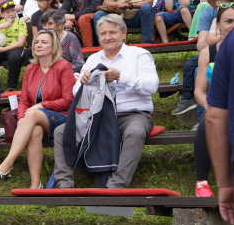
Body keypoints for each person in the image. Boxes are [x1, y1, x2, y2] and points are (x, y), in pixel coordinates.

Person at [53, 14, 159, 188]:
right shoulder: (94, 59)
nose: (108, 37)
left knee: (136, 130)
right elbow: (75, 91)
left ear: (124, 33)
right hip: (98, 114)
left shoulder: (139, 54)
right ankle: (64, 184)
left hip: (132, 113)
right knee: (61, 131)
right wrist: (83, 82)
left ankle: (117, 184)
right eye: (103, 33)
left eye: (113, 32)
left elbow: (151, 86)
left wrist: (121, 77)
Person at [0, 30, 75, 188]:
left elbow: (68, 100)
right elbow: (24, 100)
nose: (38, 45)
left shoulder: (64, 66)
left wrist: (42, 105)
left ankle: (7, 163)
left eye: (44, 42)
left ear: (54, 47)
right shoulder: (30, 69)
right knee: (34, 130)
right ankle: (36, 184)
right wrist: (22, 118)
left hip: (61, 117)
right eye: (36, 42)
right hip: (36, 119)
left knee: (33, 114)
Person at [192, 4, 234, 197]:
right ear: (218, 25)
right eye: (229, 21)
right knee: (207, 121)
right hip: (216, 105)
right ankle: (202, 182)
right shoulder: (208, 52)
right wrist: (209, 105)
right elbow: (199, 91)